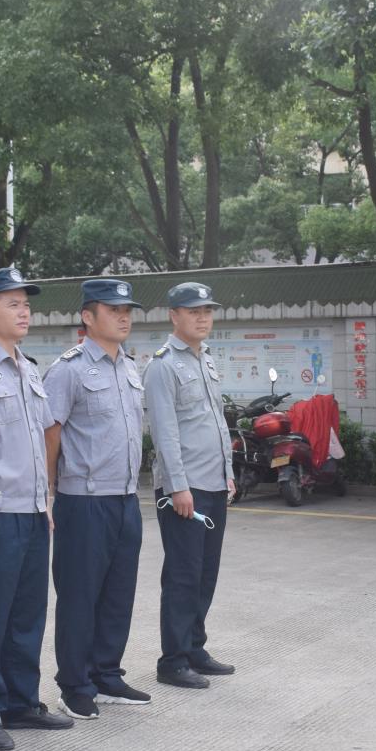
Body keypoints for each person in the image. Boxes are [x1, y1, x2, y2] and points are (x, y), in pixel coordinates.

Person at [0, 267, 74, 751]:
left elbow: (43, 439)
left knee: (27, 615)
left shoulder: (28, 369)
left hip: (32, 511)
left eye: (26, 304)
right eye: (12, 304)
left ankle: (20, 703)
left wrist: (46, 499)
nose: (24, 312)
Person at [44, 278, 150, 719]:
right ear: (88, 317)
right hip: (83, 500)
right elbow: (51, 433)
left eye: (127, 311)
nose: (123, 317)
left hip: (126, 497)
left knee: (118, 593)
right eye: (113, 310)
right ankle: (74, 685)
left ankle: (106, 674)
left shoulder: (129, 366)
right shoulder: (67, 369)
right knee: (79, 596)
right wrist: (49, 492)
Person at [143, 281, 236, 691]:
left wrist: (228, 472)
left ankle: (195, 648)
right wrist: (178, 487)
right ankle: (173, 660)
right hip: (185, 488)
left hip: (213, 482)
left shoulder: (206, 359)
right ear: (174, 315)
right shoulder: (163, 366)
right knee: (183, 574)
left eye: (207, 311)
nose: (202, 318)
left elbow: (215, 421)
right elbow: (165, 432)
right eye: (194, 311)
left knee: (205, 572)